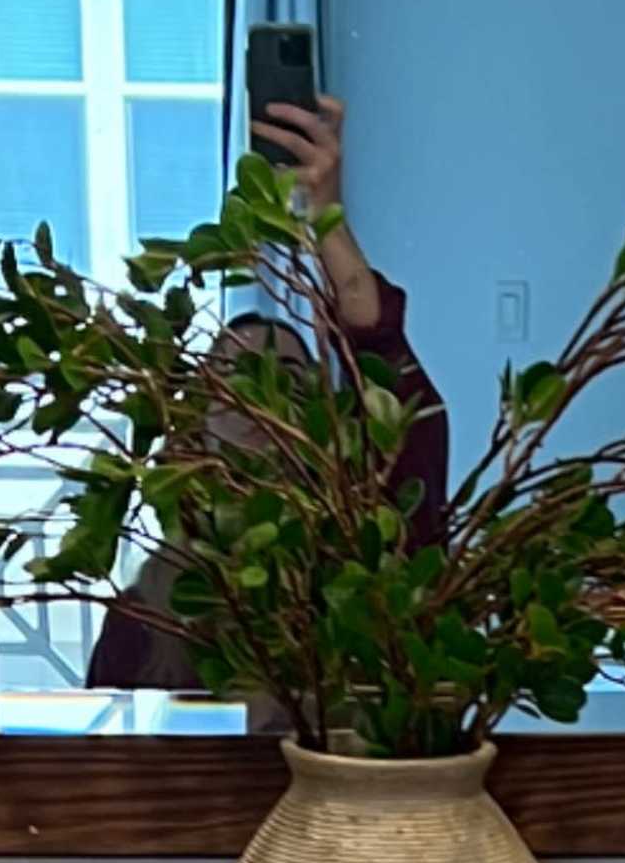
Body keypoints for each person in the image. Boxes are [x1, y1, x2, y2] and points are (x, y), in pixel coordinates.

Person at [86, 95, 449, 709]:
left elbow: (400, 402)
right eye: (234, 379)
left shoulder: (371, 563)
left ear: (326, 425)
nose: (262, 400)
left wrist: (324, 216)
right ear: (193, 434)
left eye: (286, 375)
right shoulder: (146, 617)